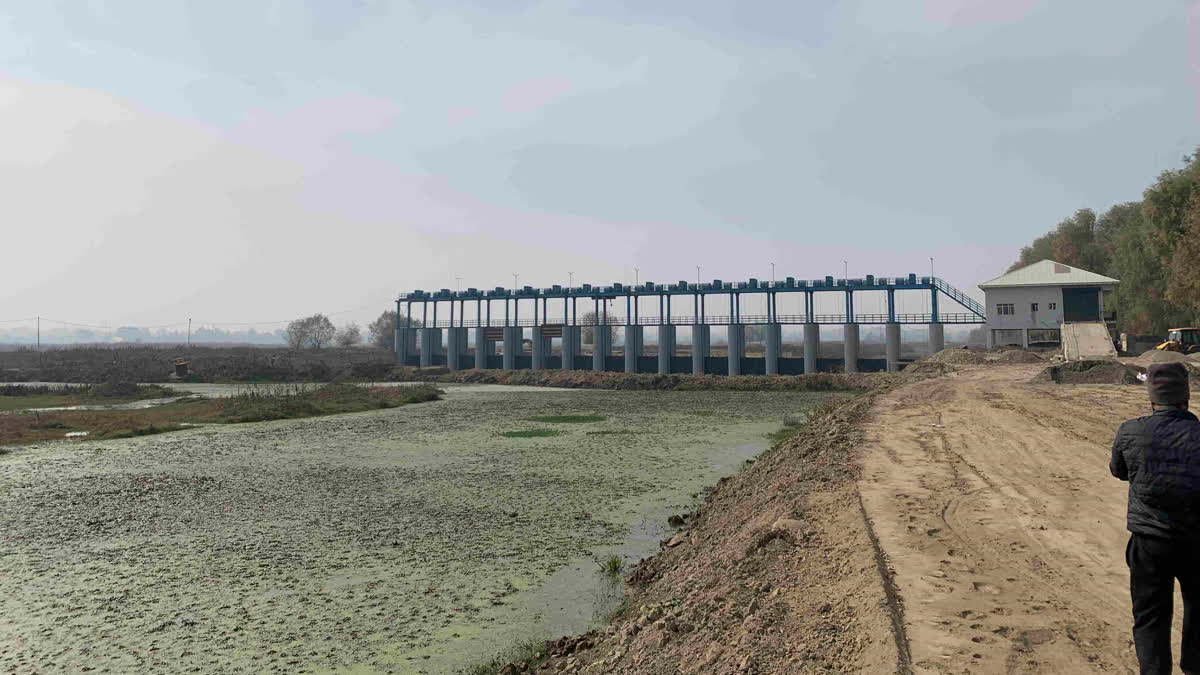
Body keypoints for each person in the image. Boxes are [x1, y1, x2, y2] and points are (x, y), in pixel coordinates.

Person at [1111, 362, 1200, 674]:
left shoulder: (1130, 430)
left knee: (1150, 616)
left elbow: (1118, 471)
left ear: (1152, 399)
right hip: (1196, 541)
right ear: (1186, 398)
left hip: (1149, 542)